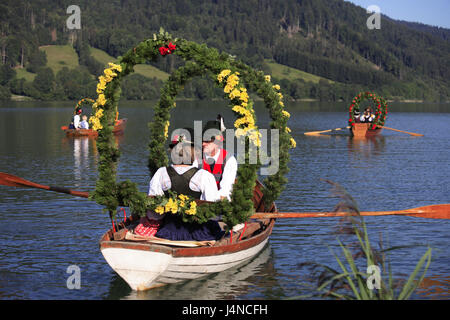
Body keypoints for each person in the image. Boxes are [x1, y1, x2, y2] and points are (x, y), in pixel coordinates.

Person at [134, 128, 224, 241]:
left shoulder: (161, 173)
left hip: (168, 231)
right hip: (198, 233)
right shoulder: (204, 176)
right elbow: (213, 213)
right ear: (195, 153)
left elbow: (154, 214)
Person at [201, 115, 238, 201]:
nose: (203, 144)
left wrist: (211, 201)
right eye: (202, 140)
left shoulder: (229, 160)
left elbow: (226, 189)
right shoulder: (196, 157)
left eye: (207, 141)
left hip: (220, 202)